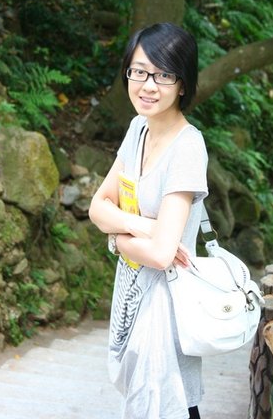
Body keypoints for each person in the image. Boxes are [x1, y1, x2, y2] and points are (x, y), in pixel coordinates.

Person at [89, 22, 209, 419]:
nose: (148, 85)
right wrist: (143, 226)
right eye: (139, 71)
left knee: (171, 404)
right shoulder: (138, 129)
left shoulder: (187, 148)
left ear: (183, 84)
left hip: (167, 306)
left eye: (163, 75)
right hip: (132, 295)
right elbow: (97, 206)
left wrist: (116, 237)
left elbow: (160, 255)